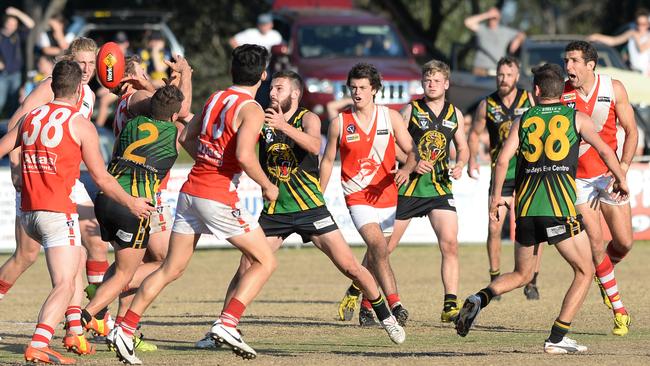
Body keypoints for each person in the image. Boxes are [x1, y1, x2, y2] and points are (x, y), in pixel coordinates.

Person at [195, 70, 405, 349]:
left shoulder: (308, 117)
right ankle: (222, 328)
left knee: (351, 267)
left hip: (310, 208)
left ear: (294, 93)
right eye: (271, 88)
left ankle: (385, 317)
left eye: (279, 88)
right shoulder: (260, 116)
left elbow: (315, 146)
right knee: (245, 266)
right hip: (275, 210)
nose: (272, 93)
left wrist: (283, 126)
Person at [110, 44, 279, 364]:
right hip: (217, 195)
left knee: (171, 268)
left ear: (232, 71)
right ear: (264, 75)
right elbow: (244, 155)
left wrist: (210, 158)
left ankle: (125, 328)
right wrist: (267, 185)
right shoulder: (252, 108)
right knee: (265, 261)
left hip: (191, 192)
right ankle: (228, 324)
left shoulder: (216, 97)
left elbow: (186, 137)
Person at [455, 63, 629, 354]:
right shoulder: (576, 117)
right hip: (558, 209)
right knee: (585, 271)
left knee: (522, 274)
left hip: (525, 209)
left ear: (535, 91)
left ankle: (480, 298)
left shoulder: (523, 119)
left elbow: (501, 161)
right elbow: (604, 150)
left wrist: (495, 198)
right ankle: (558, 337)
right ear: (562, 91)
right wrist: (621, 178)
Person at [0, 60, 154, 364]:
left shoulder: (31, 116)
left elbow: (4, 147)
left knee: (80, 257)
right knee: (66, 283)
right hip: (57, 212)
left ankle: (74, 331)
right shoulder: (80, 124)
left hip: (29, 212)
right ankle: (40, 342)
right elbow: (102, 178)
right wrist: (131, 202)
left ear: (52, 86)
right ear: (79, 89)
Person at [0, 38, 114, 309]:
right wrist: (16, 167)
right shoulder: (51, 86)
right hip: (38, 177)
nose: (86, 68)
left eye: (91, 63)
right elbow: (17, 124)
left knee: (96, 243)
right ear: (70, 60)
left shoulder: (87, 93)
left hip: (67, 180)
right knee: (25, 256)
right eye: (80, 62)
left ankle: (95, 316)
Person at [321, 63, 416, 327]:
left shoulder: (391, 117)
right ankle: (395, 305)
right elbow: (328, 160)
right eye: (353, 88)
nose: (357, 92)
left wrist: (407, 170)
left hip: (387, 194)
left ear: (374, 90)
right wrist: (318, 192)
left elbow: (411, 150)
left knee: (379, 253)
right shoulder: (340, 122)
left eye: (363, 87)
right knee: (377, 247)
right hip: (357, 196)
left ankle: (363, 304)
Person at [561, 40, 637, 336]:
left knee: (624, 243)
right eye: (566, 61)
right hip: (577, 181)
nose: (569, 67)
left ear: (590, 64)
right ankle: (620, 311)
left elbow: (631, 131)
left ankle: (604, 276)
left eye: (575, 61)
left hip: (609, 175)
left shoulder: (613, 87)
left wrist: (624, 170)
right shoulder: (562, 93)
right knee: (594, 246)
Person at [390, 59, 468, 323]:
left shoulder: (454, 113)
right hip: (410, 187)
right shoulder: (410, 110)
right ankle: (361, 293)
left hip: (439, 188)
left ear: (446, 83)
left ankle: (450, 305)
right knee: (385, 248)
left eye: (436, 80)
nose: (431, 84)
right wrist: (410, 162)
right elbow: (392, 143)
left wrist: (460, 163)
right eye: (427, 80)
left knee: (450, 244)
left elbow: (464, 146)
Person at [467, 56, 541, 300]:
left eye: (508, 75)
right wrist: (472, 158)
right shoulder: (487, 104)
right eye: (500, 74)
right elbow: (475, 133)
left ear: (517, 77)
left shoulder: (528, 99)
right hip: (502, 174)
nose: (503, 79)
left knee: (531, 227)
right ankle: (495, 277)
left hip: (529, 173)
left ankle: (531, 280)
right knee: (494, 226)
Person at [463, 7, 525, 76]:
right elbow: (467, 22)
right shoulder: (482, 29)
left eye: (494, 18)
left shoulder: (505, 31)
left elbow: (522, 34)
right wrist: (487, 15)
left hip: (496, 69)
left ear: (499, 18)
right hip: (479, 69)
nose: (492, 20)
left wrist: (517, 40)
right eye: (490, 18)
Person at [588, 9, 650, 76]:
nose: (640, 27)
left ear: (648, 25)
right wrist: (597, 36)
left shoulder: (646, 36)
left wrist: (636, 36)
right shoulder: (631, 33)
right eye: (638, 23)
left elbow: (641, 49)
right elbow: (614, 41)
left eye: (643, 24)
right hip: (632, 71)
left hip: (645, 74)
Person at [0, 6, 34, 117]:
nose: (12, 26)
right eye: (10, 23)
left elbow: (31, 24)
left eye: (15, 24)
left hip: (16, 74)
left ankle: (10, 129)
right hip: (2, 75)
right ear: (5, 23)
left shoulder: (18, 34)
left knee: (15, 105)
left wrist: (16, 12)